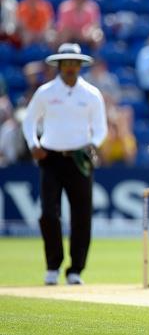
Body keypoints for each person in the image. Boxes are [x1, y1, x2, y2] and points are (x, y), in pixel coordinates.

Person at [22, 43, 108, 286]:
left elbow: (100, 128)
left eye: (74, 63)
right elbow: (29, 122)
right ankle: (53, 265)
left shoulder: (91, 94)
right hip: (50, 158)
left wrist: (93, 144)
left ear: (80, 65)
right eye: (66, 63)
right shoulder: (46, 92)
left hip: (80, 159)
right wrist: (33, 144)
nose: (70, 68)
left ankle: (75, 270)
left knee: (81, 216)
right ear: (59, 65)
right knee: (49, 214)